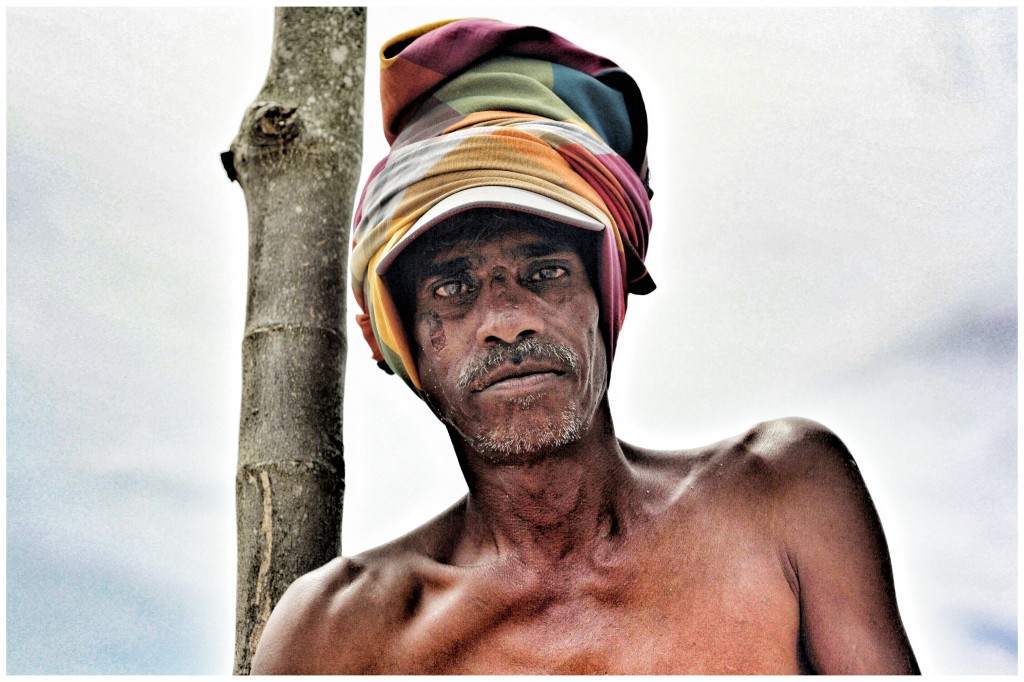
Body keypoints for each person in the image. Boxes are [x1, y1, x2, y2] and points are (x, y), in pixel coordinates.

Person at [251, 18, 919, 674]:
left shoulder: (783, 499)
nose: (507, 320)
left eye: (546, 273)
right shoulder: (335, 637)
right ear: (404, 341)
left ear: (606, 296)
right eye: (454, 287)